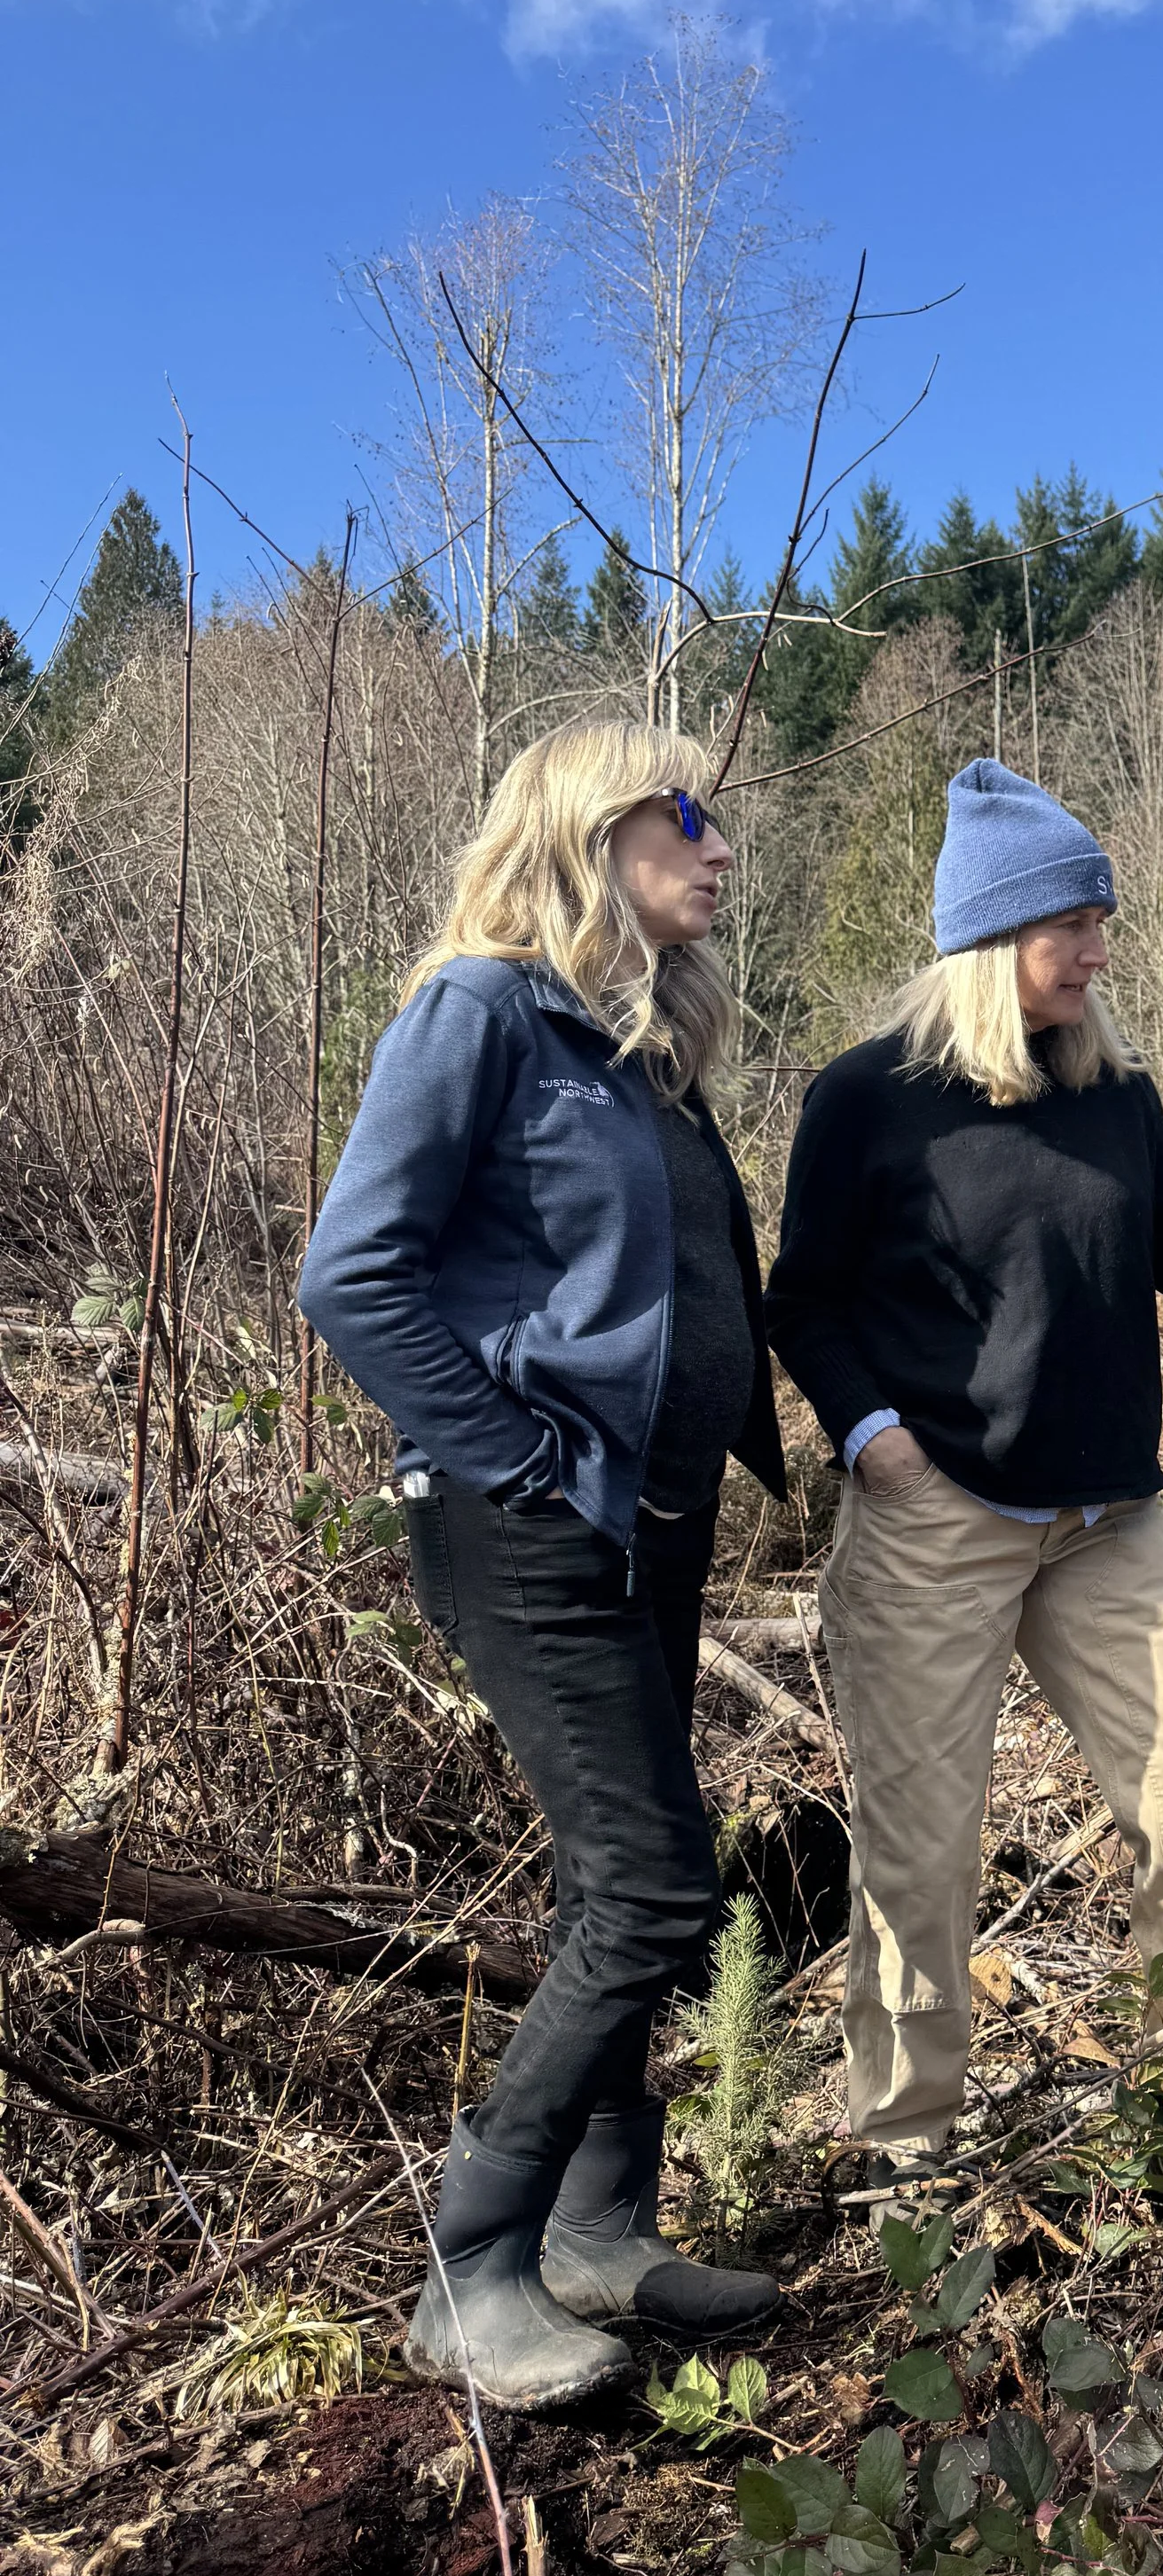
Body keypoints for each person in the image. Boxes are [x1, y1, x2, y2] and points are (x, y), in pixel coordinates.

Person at [765, 756, 1163, 2220]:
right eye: (1076, 922)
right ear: (999, 938)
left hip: (1107, 1525)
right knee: (923, 1855)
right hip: (937, 1522)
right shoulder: (867, 1102)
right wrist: (872, 1434)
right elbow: (801, 1301)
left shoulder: (1113, 1092)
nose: (1101, 948)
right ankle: (906, 2155)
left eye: (1103, 919)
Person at [300, 720, 786, 2414]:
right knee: (658, 1887)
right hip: (528, 1525)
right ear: (590, 834)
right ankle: (471, 2260)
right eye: (687, 817)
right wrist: (507, 1454)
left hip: (649, 1526)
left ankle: (599, 2230)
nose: (720, 847)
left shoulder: (638, 1048)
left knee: (613, 1889)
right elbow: (353, 1271)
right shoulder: (480, 1011)